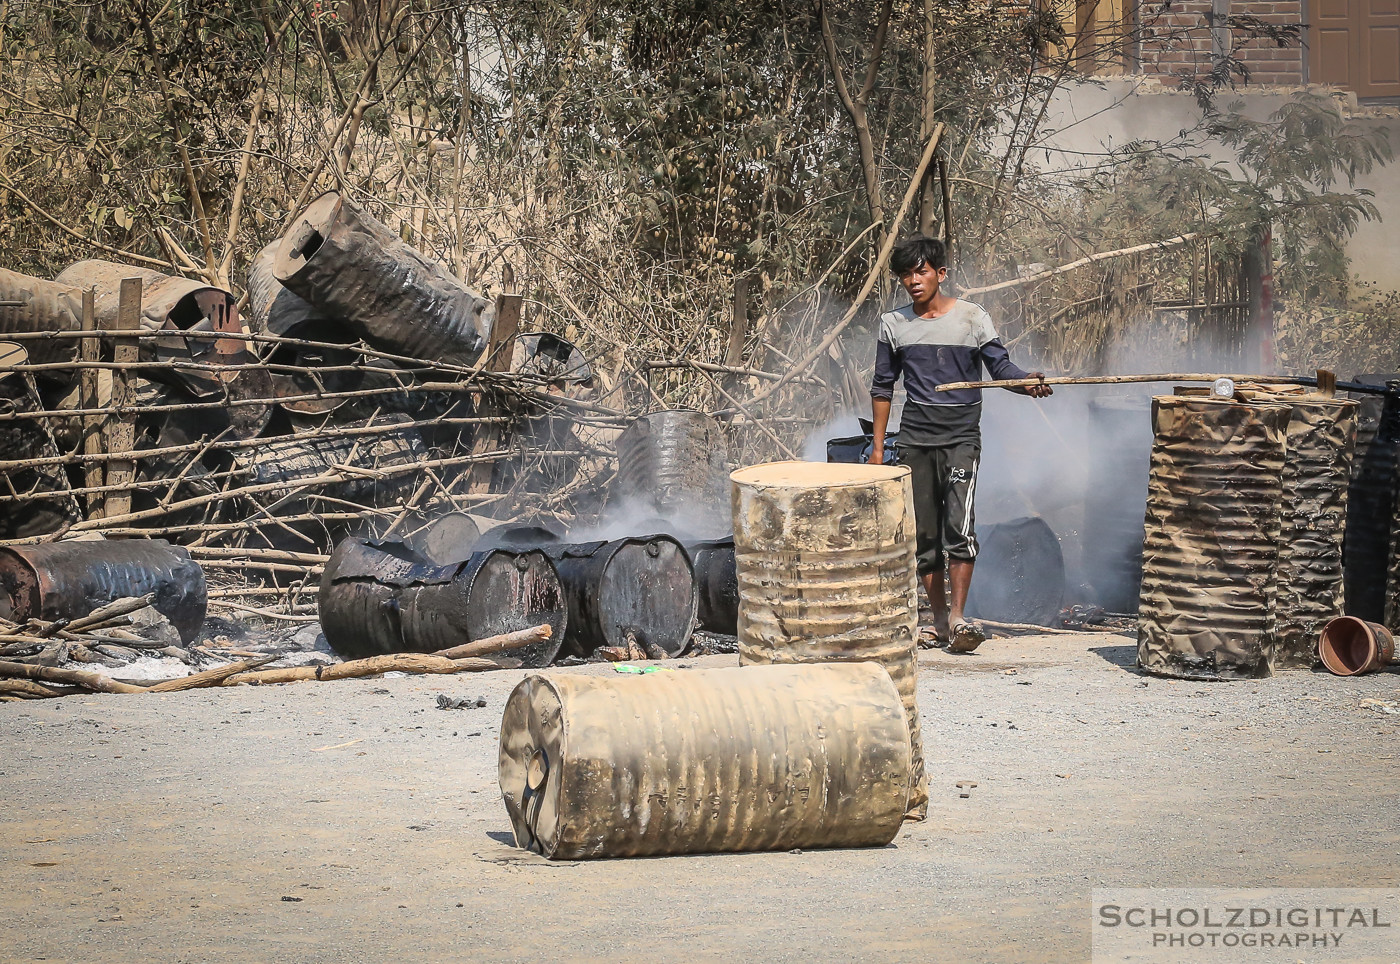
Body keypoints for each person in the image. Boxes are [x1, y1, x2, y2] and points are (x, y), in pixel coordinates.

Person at [869, 235, 1052, 651]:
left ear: (940, 274)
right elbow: (883, 386)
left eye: (922, 271)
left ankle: (959, 617)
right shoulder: (893, 324)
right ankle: (936, 621)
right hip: (915, 439)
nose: (914, 281)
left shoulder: (972, 317)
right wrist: (879, 449)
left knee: (960, 528)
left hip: (960, 438)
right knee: (925, 535)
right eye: (906, 274)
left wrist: (1025, 384)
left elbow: (1000, 366)